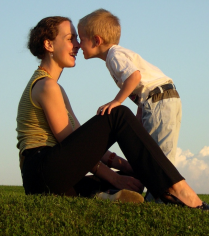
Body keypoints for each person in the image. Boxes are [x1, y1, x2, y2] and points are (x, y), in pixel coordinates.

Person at [16, 15, 209, 211]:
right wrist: (115, 176)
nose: (77, 45)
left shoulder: (54, 88)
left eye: (78, 39)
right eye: (71, 39)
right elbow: (69, 141)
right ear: (48, 45)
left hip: (47, 178)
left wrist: (126, 167)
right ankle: (177, 189)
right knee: (117, 114)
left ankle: (103, 195)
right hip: (42, 171)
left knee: (116, 179)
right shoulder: (46, 86)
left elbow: (80, 143)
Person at [77, 9, 182, 168]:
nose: (78, 44)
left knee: (159, 155)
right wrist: (139, 116)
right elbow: (142, 87)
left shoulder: (114, 56)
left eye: (81, 39)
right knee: (157, 151)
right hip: (161, 98)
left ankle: (165, 191)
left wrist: (116, 101)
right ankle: (159, 189)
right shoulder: (116, 55)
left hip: (159, 100)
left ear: (97, 40)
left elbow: (135, 77)